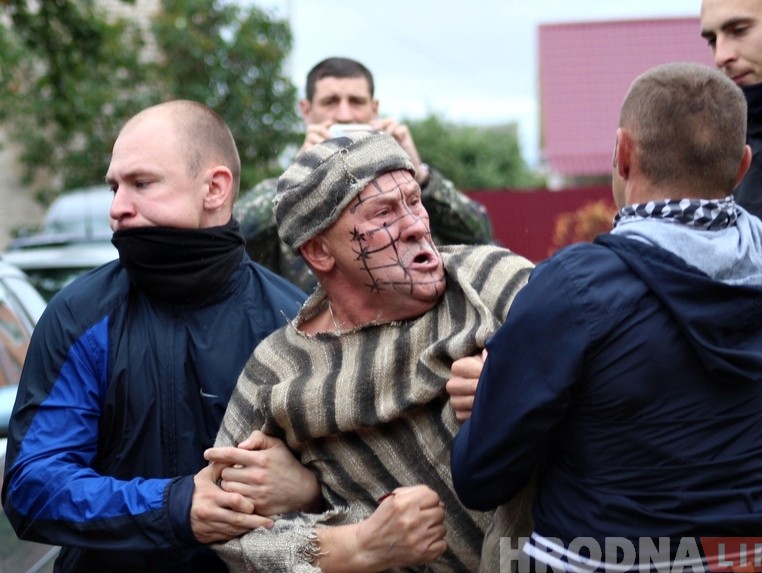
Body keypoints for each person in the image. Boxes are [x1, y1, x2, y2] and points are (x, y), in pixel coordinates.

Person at [450, 62, 762, 572]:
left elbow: (481, 478)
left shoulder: (577, 284)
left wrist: (501, 393)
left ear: (623, 152)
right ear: (743, 166)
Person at [1, 100, 311, 573]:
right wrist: (174, 505)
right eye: (114, 187)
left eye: (141, 183)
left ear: (214, 188)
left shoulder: (293, 319)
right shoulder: (78, 314)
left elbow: (362, 482)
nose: (117, 208)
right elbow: (33, 485)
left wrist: (308, 487)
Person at [206, 130, 535, 572]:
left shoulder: (494, 283)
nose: (417, 225)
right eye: (384, 214)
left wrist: (529, 383)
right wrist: (356, 545)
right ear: (320, 251)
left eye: (414, 201)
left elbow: (622, 377)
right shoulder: (278, 370)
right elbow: (226, 531)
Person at [234, 56, 495, 293]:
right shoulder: (278, 192)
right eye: (330, 102)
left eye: (356, 102)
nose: (345, 115)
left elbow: (479, 234)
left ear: (374, 109)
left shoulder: (407, 187)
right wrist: (299, 180)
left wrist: (418, 175)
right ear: (306, 110)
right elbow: (233, 236)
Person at [700, 0, 762, 532]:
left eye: (739, 30)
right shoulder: (705, 136)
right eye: (711, 39)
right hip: (730, 455)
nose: (722, 54)